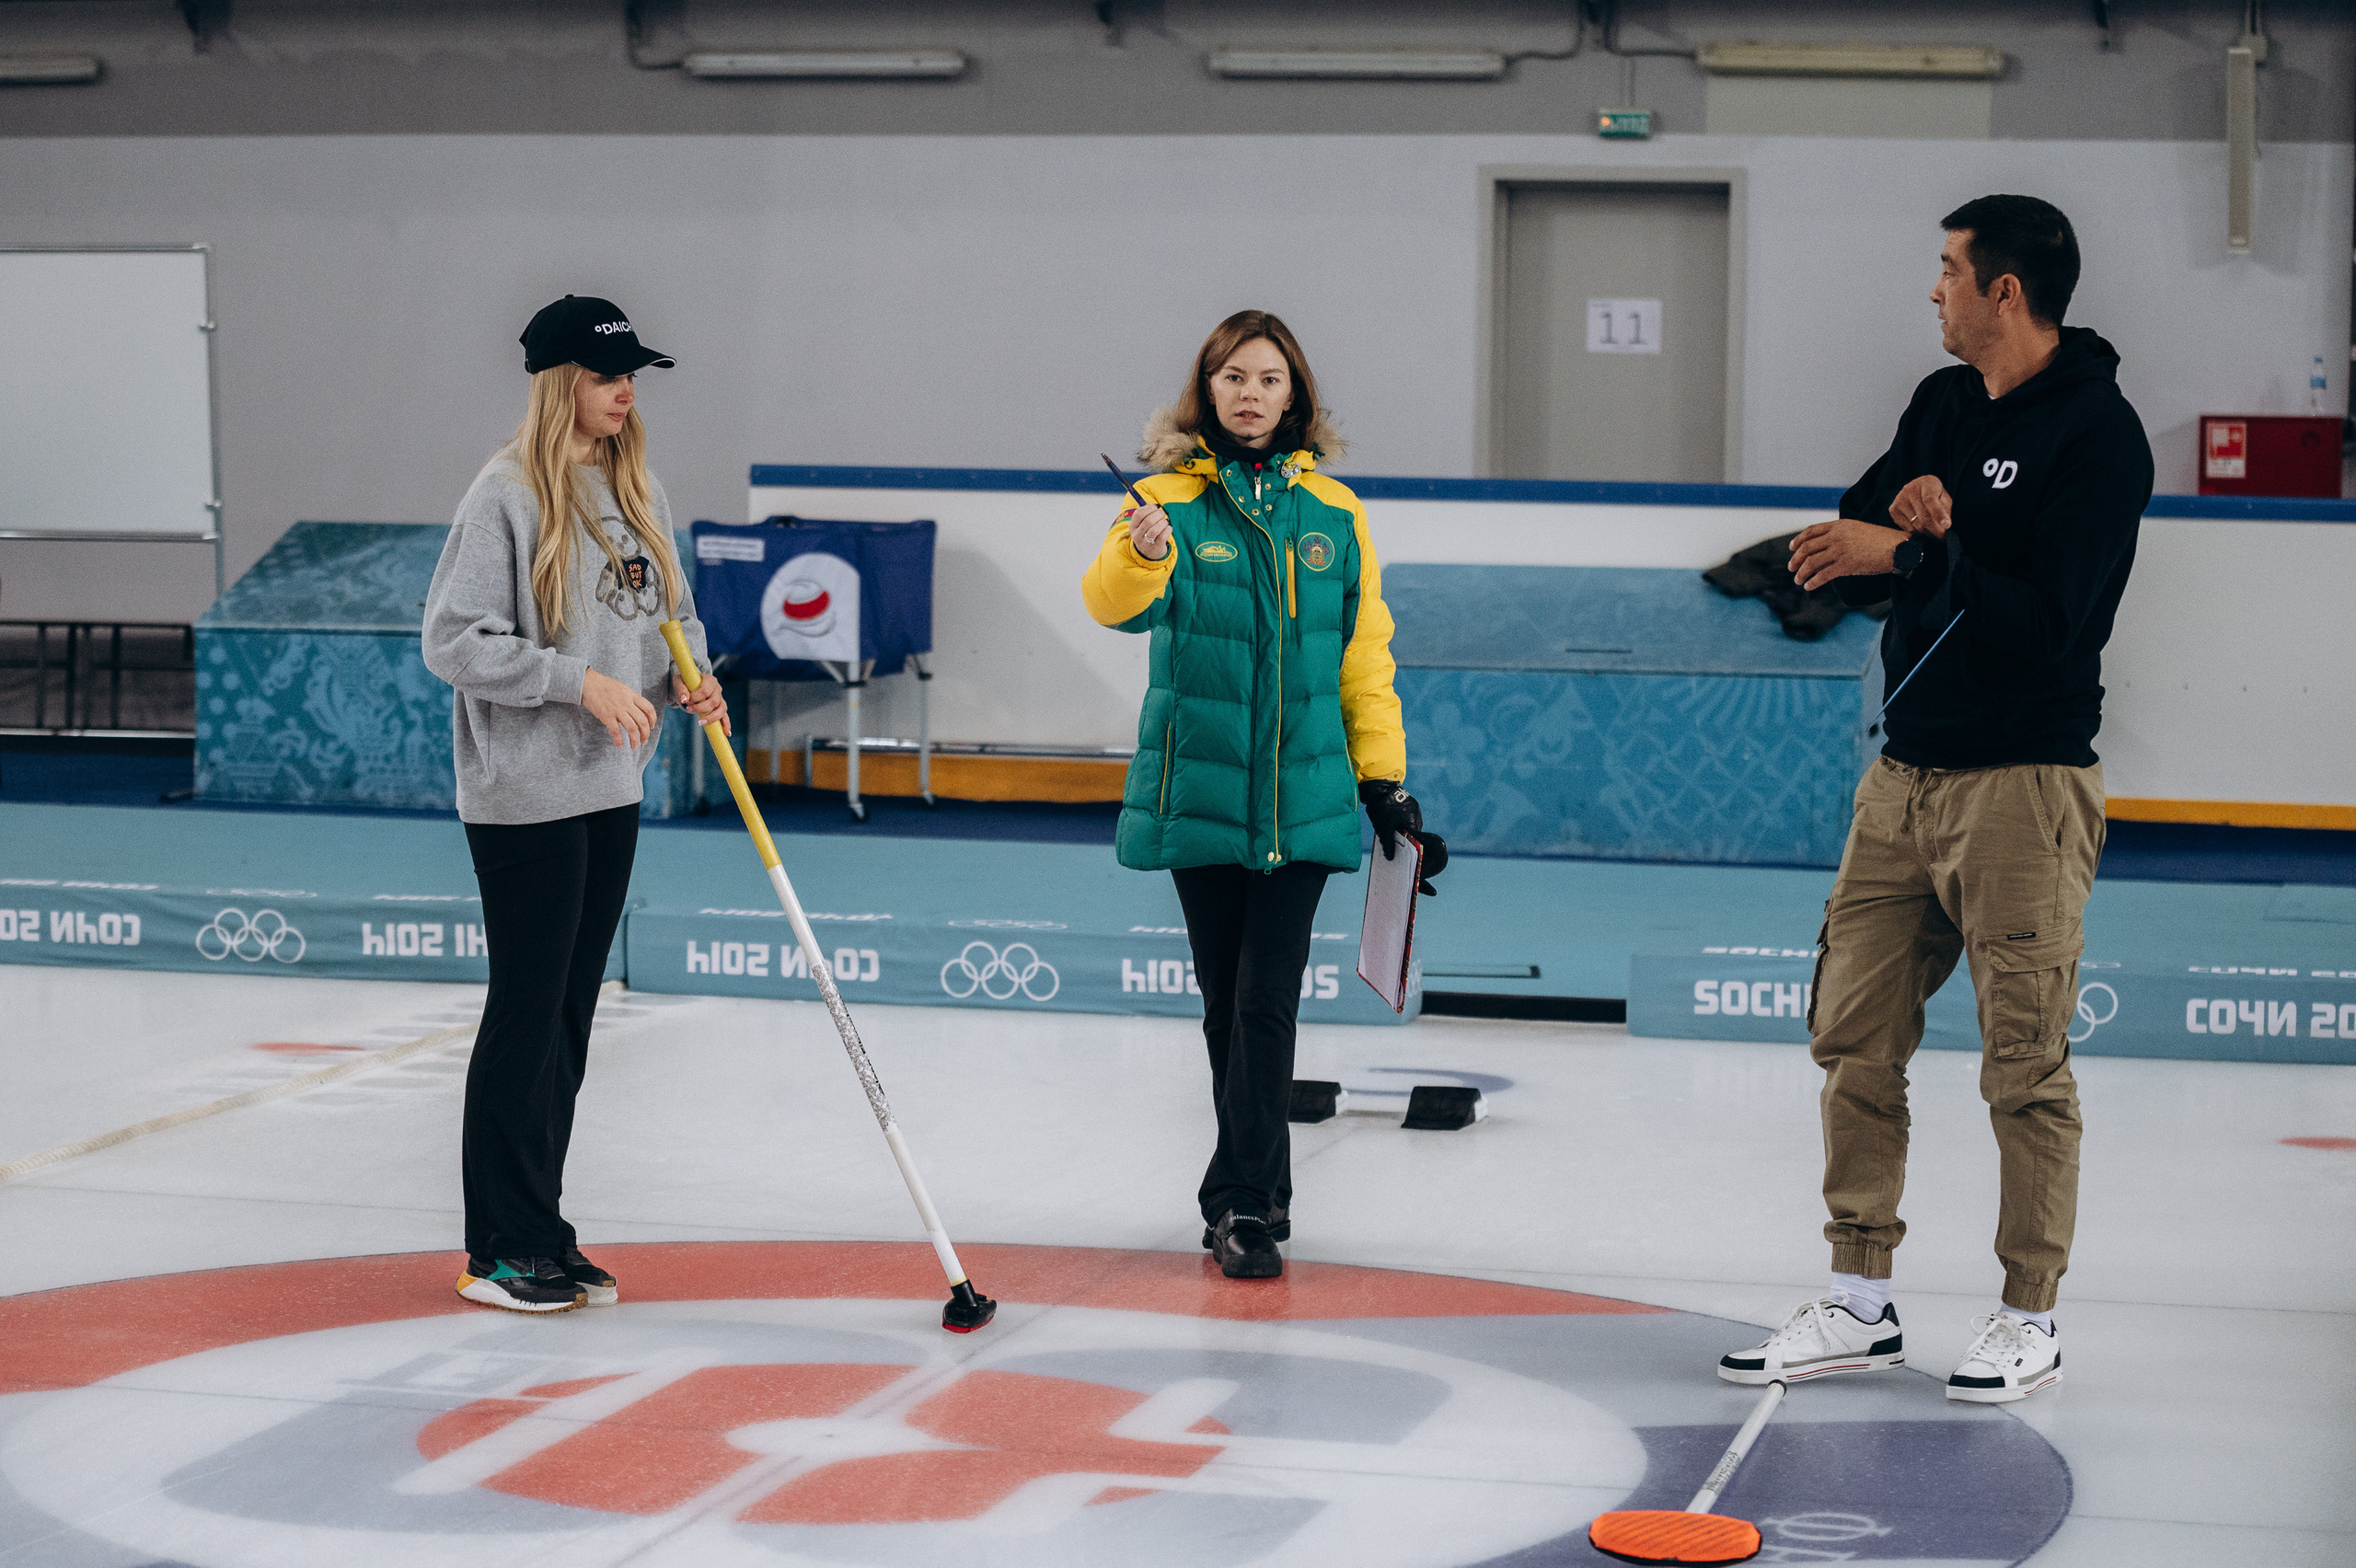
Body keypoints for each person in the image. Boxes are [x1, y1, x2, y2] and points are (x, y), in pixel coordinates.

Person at [1719, 196, 2152, 1400]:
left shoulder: (2100, 438)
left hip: (2024, 785)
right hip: (1902, 780)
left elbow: (2055, 628)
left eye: (1949, 272)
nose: (1934, 291)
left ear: (2005, 292)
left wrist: (1923, 554)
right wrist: (1890, 539)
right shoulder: (1941, 405)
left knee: (2024, 1062)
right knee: (1851, 1034)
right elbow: (1849, 547)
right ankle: (1861, 1297)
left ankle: (2031, 1314)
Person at [1081, 309, 1438, 1280]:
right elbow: (1113, 605)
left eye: (1269, 379)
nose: (1251, 394)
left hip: (1305, 791)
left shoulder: (1335, 511)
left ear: (1296, 396)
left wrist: (1384, 777)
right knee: (1223, 1002)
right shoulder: (1160, 500)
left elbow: (1363, 653)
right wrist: (1140, 550)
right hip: (1199, 790)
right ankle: (1247, 1193)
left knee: (1265, 1000)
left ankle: (1247, 1208)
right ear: (1207, 390)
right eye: (1234, 376)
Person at [422, 294, 728, 1313]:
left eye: (632, 373)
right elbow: (455, 640)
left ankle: (542, 1227)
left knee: (569, 1015)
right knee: (527, 1007)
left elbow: (663, 616)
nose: (625, 390)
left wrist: (689, 674)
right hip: (526, 792)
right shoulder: (505, 494)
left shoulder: (635, 487)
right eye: (606, 375)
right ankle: (498, 1247)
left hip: (608, 785)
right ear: (563, 384)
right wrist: (576, 681)